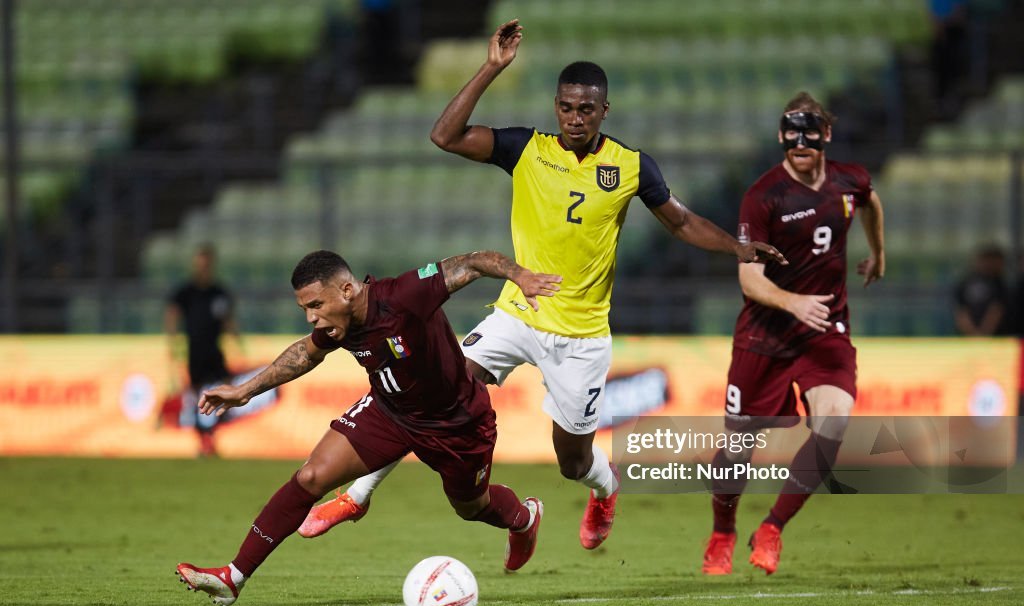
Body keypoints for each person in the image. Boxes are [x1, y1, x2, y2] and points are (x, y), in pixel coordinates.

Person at [302, 19, 785, 551]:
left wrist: (737, 248)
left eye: (585, 109)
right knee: (434, 390)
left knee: (572, 461)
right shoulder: (527, 149)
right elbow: (444, 136)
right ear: (556, 106)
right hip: (518, 312)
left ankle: (606, 489)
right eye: (566, 107)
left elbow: (681, 221)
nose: (574, 118)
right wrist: (491, 68)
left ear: (605, 111)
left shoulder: (629, 166)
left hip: (581, 336)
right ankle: (357, 496)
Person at [176, 249, 561, 606]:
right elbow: (304, 354)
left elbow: (474, 262)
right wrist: (245, 390)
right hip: (389, 413)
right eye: (305, 308)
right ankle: (233, 577)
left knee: (472, 507)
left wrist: (520, 275)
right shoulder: (335, 324)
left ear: (347, 290)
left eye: (315, 305)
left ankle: (524, 519)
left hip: (456, 424)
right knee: (311, 476)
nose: (311, 317)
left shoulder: (404, 296)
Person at [701, 92, 886, 576]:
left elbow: (869, 201)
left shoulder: (850, 179)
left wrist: (879, 253)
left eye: (809, 132)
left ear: (825, 134)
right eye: (791, 132)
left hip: (825, 328)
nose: (799, 142)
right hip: (766, 335)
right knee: (737, 451)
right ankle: (723, 531)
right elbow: (748, 277)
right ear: (782, 135)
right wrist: (792, 302)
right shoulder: (764, 196)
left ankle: (773, 528)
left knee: (835, 423)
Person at [164, 244, 243, 457]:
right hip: (195, 352)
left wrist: (237, 339)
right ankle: (204, 439)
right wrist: (172, 342)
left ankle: (213, 433)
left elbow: (227, 319)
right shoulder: (186, 292)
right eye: (200, 263)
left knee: (227, 388)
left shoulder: (219, 292)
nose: (203, 268)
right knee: (195, 395)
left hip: (214, 350)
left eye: (206, 263)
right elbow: (172, 315)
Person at [954, 245, 1009, 336]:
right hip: (968, 338)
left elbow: (997, 310)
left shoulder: (999, 283)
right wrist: (973, 333)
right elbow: (961, 311)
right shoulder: (966, 282)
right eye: (984, 260)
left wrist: (984, 333)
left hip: (997, 338)